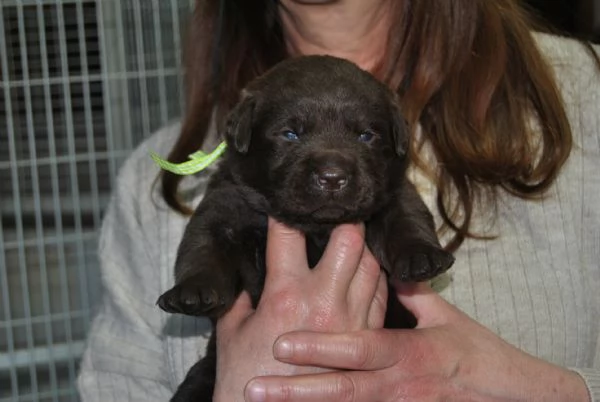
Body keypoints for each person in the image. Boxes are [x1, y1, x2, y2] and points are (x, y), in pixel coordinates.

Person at [77, 0, 600, 401]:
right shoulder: (156, 183)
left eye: (367, 136)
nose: (330, 164)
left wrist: (530, 385)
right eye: (290, 135)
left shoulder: (585, 90)